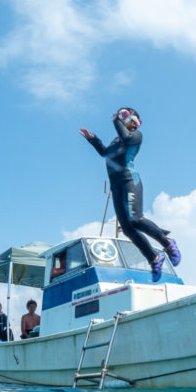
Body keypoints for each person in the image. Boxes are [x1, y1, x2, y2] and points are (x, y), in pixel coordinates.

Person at [80, 107, 181, 282]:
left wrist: (115, 119)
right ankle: (154, 258)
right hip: (116, 186)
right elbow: (105, 153)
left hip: (129, 181)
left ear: (134, 122)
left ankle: (168, 243)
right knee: (127, 228)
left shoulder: (136, 136)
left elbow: (126, 137)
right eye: (121, 116)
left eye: (125, 116)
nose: (121, 119)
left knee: (136, 220)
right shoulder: (116, 140)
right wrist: (93, 139)